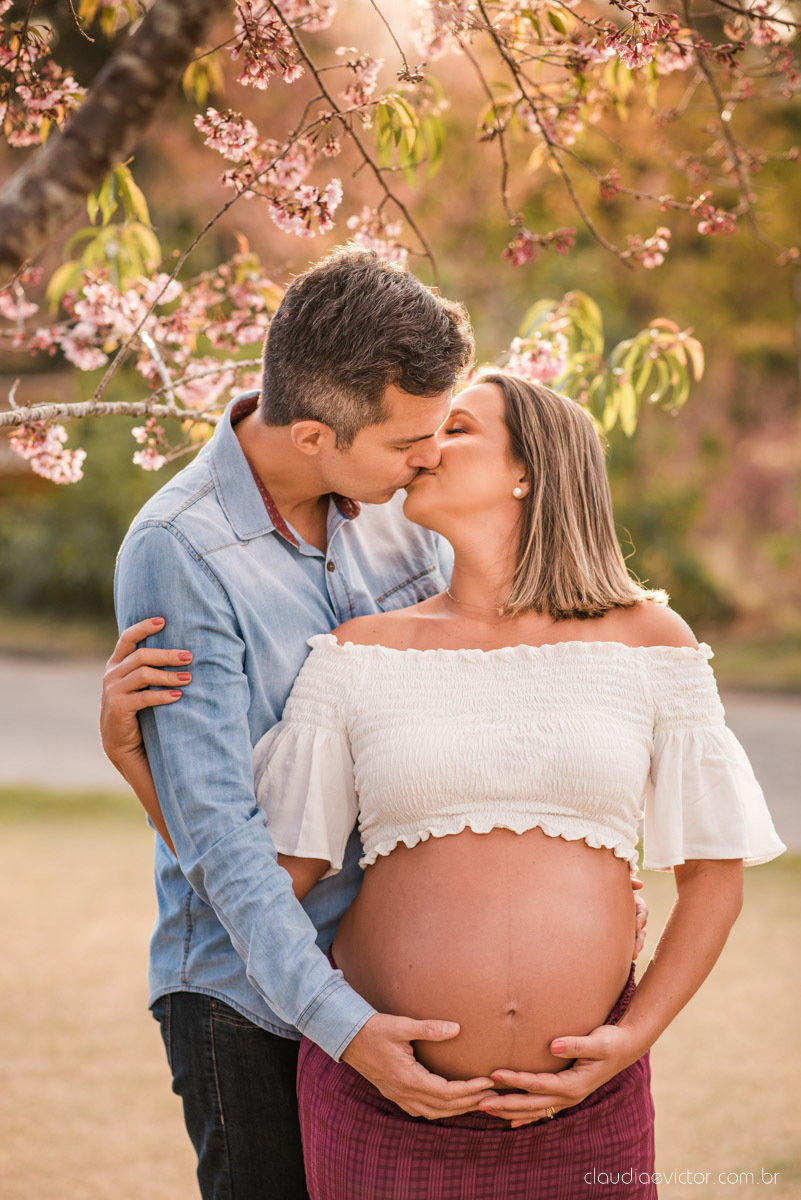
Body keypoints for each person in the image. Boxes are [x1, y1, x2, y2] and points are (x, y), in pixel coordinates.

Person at [104, 367, 785, 1198]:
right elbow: (263, 877)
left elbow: (712, 874)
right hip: (384, 1096)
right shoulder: (361, 650)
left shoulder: (651, 640)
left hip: (581, 1102)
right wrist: (143, 768)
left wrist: (634, 1036)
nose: (426, 449)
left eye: (456, 430)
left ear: (527, 469)